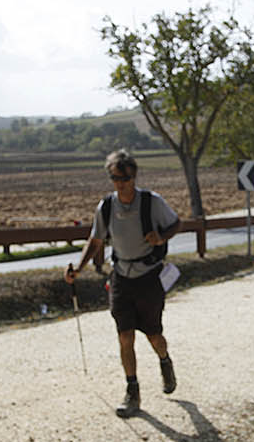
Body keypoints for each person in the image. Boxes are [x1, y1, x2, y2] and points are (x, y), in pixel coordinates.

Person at [65, 149, 181, 417]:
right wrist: (78, 270)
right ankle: (132, 392)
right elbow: (95, 242)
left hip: (149, 277)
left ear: (134, 176)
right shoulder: (106, 207)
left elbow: (177, 224)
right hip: (120, 278)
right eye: (115, 178)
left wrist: (161, 237)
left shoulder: (152, 202)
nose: (120, 183)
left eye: (125, 178)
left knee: (153, 335)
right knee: (125, 335)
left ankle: (165, 361)